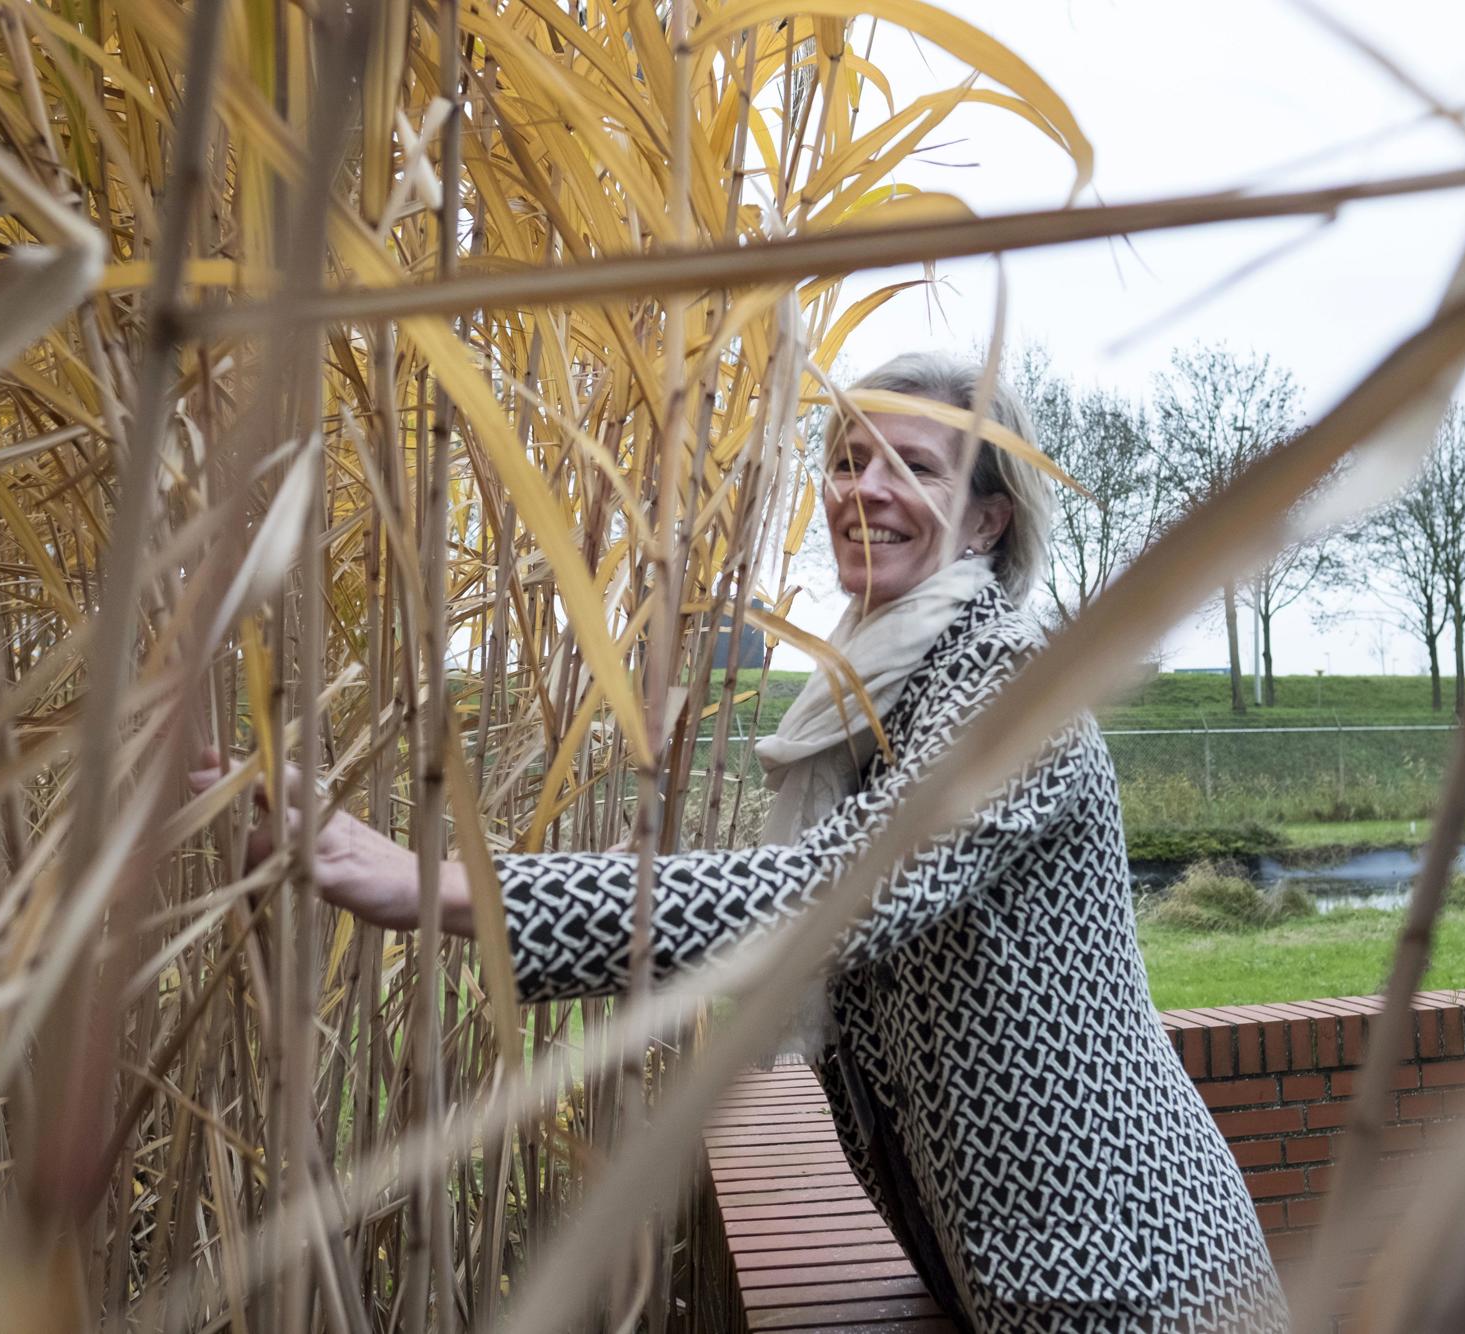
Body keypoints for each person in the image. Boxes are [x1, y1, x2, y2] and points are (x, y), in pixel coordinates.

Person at [191, 353, 1288, 1332]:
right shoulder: (869, 701)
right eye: (846, 459)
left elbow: (830, 893)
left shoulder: (1010, 683)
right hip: (1001, 1276)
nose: (861, 490)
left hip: (1133, 1276)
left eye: (909, 465)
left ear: (989, 519)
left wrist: (436, 887)